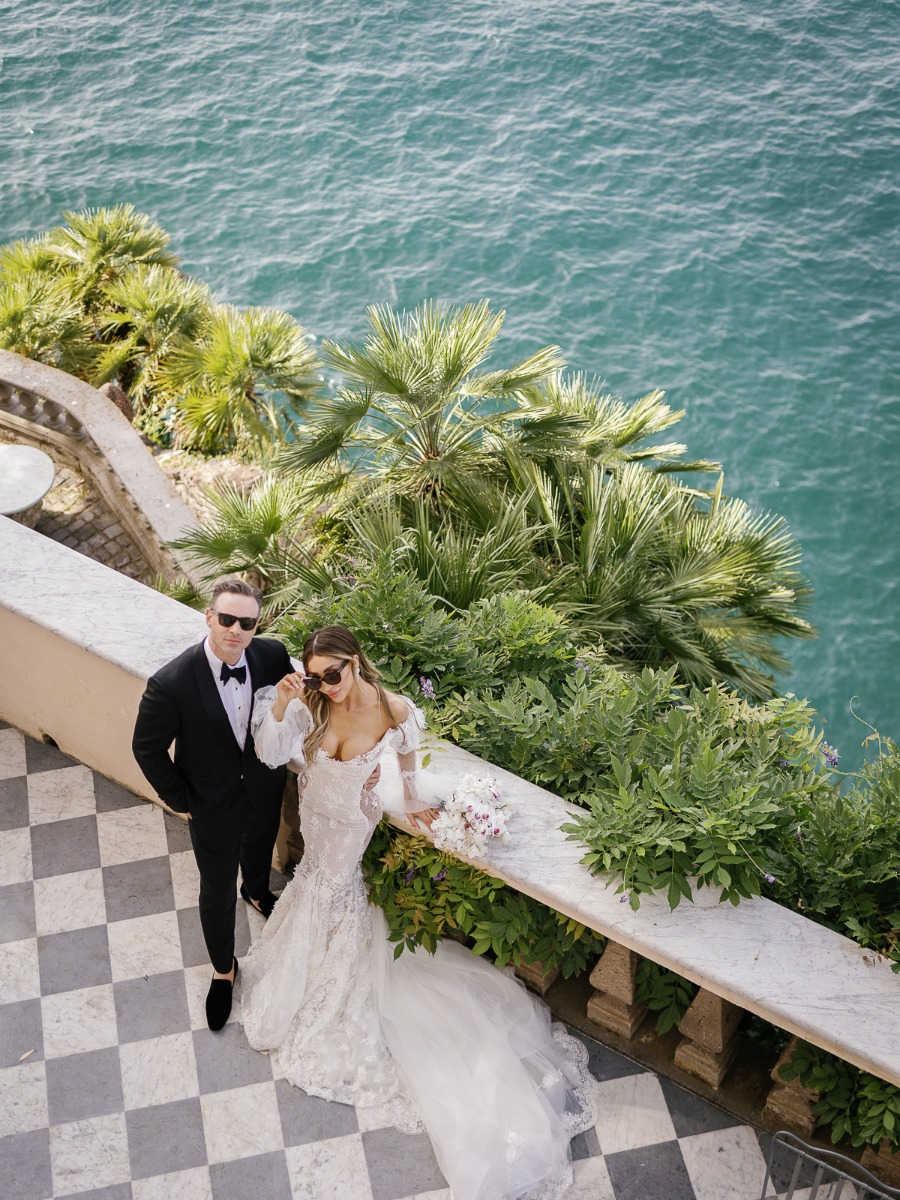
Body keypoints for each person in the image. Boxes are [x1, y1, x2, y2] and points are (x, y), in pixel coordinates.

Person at [241, 625, 601, 1200]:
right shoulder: (308, 703)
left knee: (333, 887)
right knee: (311, 882)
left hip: (352, 827)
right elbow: (269, 754)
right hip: (317, 815)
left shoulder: (395, 710)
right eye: (317, 676)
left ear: (357, 663)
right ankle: (301, 960)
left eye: (334, 673)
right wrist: (286, 701)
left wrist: (415, 804)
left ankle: (330, 975)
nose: (327, 685)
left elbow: (406, 769)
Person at [132, 579, 293, 1031]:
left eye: (247, 622)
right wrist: (184, 801)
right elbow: (146, 749)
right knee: (216, 889)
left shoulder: (272, 655)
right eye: (227, 619)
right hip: (210, 806)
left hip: (263, 785)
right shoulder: (170, 683)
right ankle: (224, 969)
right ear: (209, 617)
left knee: (260, 844)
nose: (236, 630)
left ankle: (258, 891)